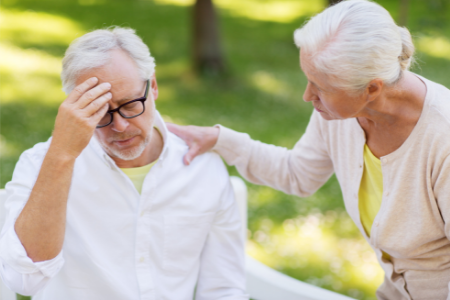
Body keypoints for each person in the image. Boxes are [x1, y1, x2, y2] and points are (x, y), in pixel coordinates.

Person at [167, 0, 450, 299]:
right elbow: (298, 174)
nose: (307, 95)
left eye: (321, 86)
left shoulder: (442, 138)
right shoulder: (341, 114)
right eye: (308, 79)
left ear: (372, 88)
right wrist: (219, 140)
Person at [0, 27, 248, 300]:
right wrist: (61, 156)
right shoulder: (42, 164)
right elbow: (25, 279)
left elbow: (223, 288)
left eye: (130, 104)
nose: (119, 125)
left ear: (152, 86)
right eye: (100, 111)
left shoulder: (203, 168)